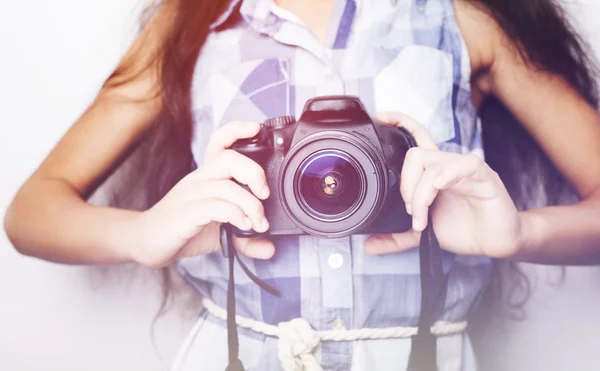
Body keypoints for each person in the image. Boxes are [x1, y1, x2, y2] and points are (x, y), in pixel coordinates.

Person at [4, 0, 600, 369]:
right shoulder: (191, 26)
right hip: (241, 353)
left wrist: (518, 231)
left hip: (419, 357)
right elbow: (30, 214)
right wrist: (143, 233)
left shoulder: (463, 19)